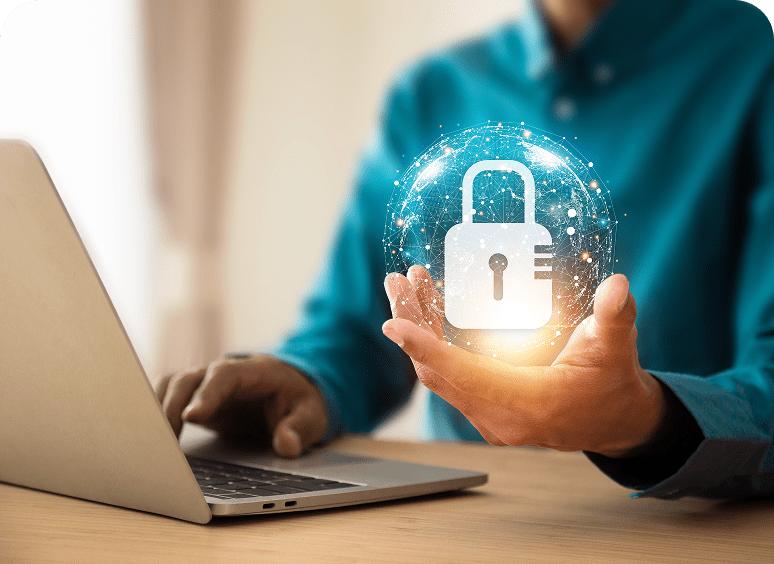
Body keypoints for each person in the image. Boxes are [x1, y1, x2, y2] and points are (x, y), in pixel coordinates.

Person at [155, 0, 774, 499]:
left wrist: (644, 420)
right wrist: (303, 379)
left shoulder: (754, 64)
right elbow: (364, 327)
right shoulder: (431, 92)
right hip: (465, 515)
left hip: (675, 528)